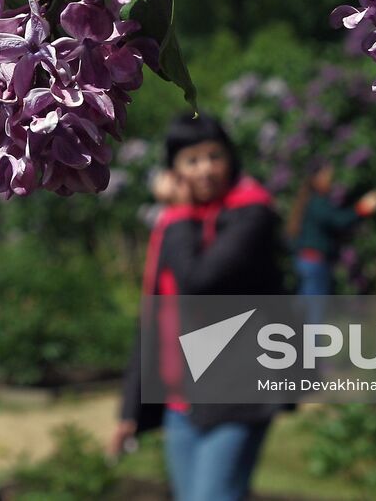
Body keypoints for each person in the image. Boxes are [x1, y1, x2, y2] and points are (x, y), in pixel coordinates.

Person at [109, 113, 287, 501]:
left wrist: (177, 214)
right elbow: (155, 317)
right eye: (192, 160)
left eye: (214, 156)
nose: (205, 169)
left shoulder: (252, 215)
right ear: (173, 171)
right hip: (180, 400)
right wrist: (130, 410)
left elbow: (197, 283)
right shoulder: (179, 225)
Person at [285, 163, 376, 298]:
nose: (330, 180)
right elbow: (338, 220)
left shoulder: (313, 201)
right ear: (317, 179)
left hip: (309, 261)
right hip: (314, 262)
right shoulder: (317, 203)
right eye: (327, 176)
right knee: (313, 309)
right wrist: (363, 208)